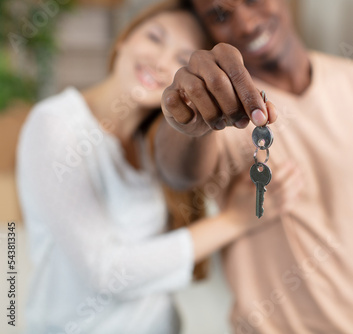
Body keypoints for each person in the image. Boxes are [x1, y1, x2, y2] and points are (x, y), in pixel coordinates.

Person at [155, 0, 353, 333]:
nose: (247, 24)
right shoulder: (223, 118)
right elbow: (177, 172)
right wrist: (187, 124)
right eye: (220, 15)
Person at [16, 2, 301, 333]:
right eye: (154, 38)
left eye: (183, 60)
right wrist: (234, 220)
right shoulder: (55, 124)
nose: (163, 62)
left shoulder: (155, 145)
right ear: (123, 39)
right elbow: (107, 271)